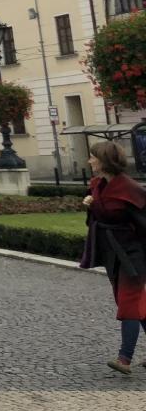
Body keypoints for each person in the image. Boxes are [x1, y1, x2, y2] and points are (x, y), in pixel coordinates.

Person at [79, 141, 146, 374]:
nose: (90, 161)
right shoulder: (97, 184)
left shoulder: (131, 189)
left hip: (133, 254)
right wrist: (90, 204)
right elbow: (99, 216)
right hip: (111, 253)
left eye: (93, 157)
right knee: (133, 303)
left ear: (104, 160)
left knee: (128, 303)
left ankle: (124, 359)